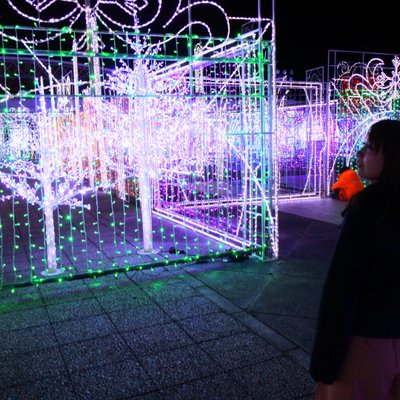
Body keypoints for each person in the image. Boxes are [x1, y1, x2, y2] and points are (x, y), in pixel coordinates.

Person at [309, 119, 400, 400]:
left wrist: (324, 359)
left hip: (366, 343)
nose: (360, 153)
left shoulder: (368, 211)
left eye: (371, 147)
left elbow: (342, 290)